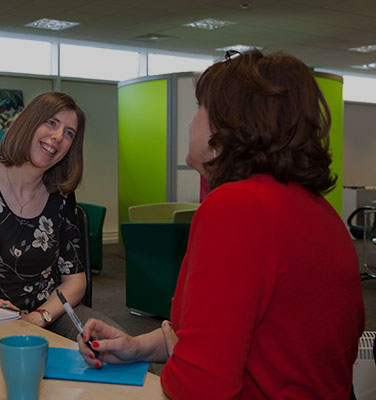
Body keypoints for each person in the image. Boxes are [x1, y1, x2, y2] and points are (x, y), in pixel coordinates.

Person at [77, 50, 365, 399]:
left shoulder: (238, 208)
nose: (191, 121)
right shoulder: (315, 208)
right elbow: (241, 339)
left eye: (200, 108)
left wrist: (179, 356)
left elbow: (200, 386)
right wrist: (138, 346)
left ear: (228, 129)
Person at [0, 91, 118, 340]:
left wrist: (37, 318)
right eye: (52, 123)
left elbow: (75, 282)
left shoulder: (61, 197)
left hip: (47, 315)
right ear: (30, 122)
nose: (58, 137)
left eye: (69, 133)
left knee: (121, 350)